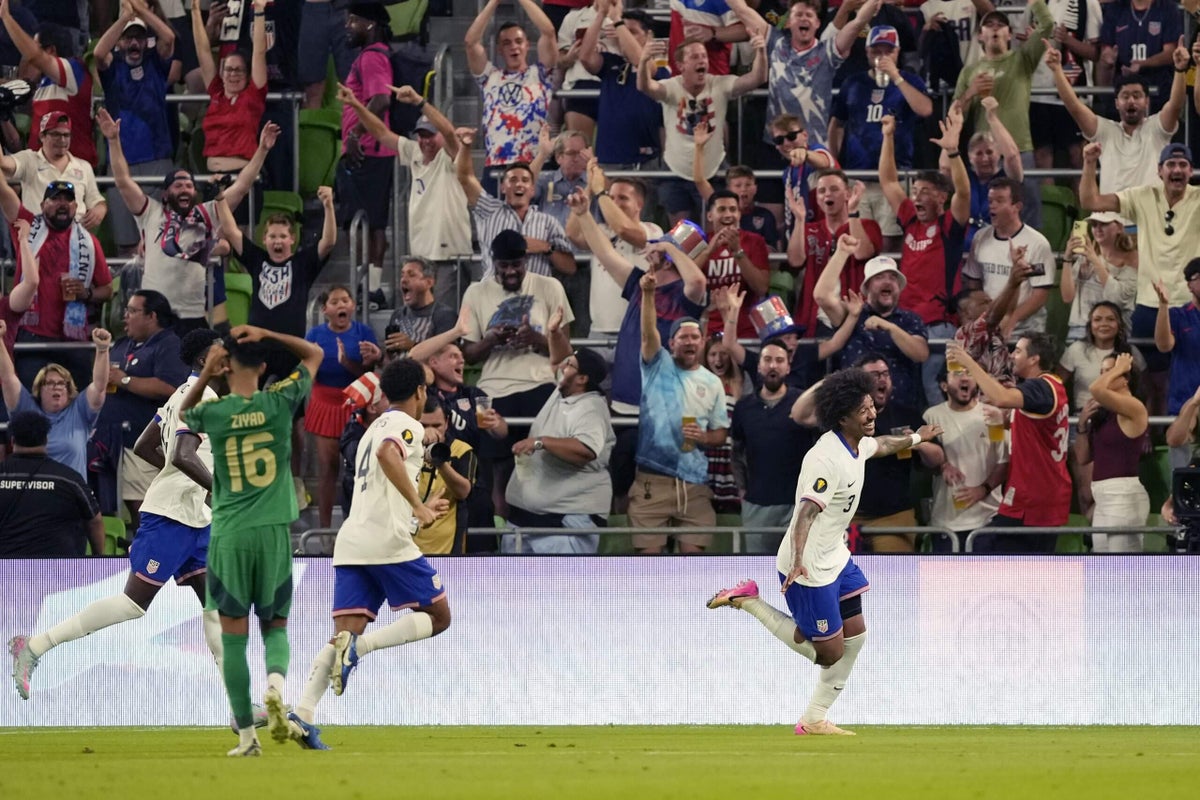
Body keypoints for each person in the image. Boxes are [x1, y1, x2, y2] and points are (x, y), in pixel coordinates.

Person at [707, 367, 942, 736]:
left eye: (872, 406)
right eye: (864, 410)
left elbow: (882, 445)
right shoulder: (826, 458)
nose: (872, 414)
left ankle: (814, 719)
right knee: (828, 653)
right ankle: (749, 600)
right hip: (809, 566)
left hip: (835, 554)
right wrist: (799, 561)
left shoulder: (857, 443)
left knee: (856, 635)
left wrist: (915, 437)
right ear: (843, 417)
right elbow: (805, 512)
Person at [8, 330, 225, 702]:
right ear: (205, 360)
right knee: (132, 605)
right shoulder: (202, 395)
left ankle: (240, 704)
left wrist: (185, 482)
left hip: (194, 516)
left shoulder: (180, 393)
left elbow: (145, 445)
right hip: (171, 517)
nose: (229, 359)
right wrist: (221, 492)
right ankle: (35, 645)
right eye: (222, 353)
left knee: (216, 607)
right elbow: (183, 455)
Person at [290, 358, 451, 752]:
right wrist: (418, 505)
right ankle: (359, 650)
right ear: (420, 392)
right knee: (439, 616)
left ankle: (303, 713)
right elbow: (387, 454)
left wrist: (415, 511)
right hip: (386, 542)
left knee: (343, 632)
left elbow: (381, 478)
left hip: (352, 542)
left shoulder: (370, 428)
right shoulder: (406, 426)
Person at [180, 324, 323, 757]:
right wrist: (265, 332)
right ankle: (275, 686)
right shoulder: (278, 402)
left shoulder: (216, 412)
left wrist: (208, 372)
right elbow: (314, 354)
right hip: (273, 531)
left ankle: (246, 737)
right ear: (262, 368)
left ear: (226, 367)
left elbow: (186, 413)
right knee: (275, 626)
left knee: (234, 639)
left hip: (229, 535)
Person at [98, 108, 278, 333]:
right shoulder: (150, 212)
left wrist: (262, 150)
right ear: (165, 194)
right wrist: (113, 141)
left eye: (189, 186)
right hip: (155, 317)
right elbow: (123, 181)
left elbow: (242, 186)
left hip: (192, 316)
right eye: (178, 185)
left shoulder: (207, 214)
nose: (184, 189)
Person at [461, 230, 573, 516]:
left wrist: (535, 339)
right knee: (497, 472)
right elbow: (468, 354)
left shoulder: (550, 286)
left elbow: (566, 350)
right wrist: (491, 340)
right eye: (504, 266)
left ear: (526, 261)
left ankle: (540, 528)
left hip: (541, 384)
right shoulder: (475, 292)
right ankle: (503, 535)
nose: (511, 272)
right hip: (492, 389)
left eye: (516, 265)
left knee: (543, 465)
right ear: (493, 263)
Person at [337, 85, 473, 306]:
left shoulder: (452, 157)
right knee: (421, 320)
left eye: (431, 135)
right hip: (420, 259)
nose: (425, 141)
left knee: (445, 318)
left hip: (450, 258)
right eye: (421, 135)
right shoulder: (414, 152)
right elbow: (381, 133)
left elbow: (449, 132)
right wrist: (355, 104)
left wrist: (419, 102)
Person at [1082, 141, 1200, 394]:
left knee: (1192, 376)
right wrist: (1090, 163)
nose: (1177, 170)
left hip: (1190, 303)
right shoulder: (1142, 196)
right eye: (1171, 164)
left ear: (1191, 171)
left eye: (1183, 165)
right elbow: (1091, 201)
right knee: (1148, 383)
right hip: (1149, 303)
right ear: (1159, 170)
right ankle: (1145, 422)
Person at [629, 277, 729, 554]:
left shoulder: (712, 382)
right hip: (652, 481)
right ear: (671, 343)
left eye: (694, 337)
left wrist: (705, 437)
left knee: (693, 562)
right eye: (683, 337)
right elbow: (648, 334)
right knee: (648, 564)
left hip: (694, 483)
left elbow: (721, 433)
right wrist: (648, 293)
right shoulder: (657, 365)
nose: (689, 341)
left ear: (703, 342)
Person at [946, 332, 1070, 553]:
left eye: (1018, 351)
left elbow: (1001, 398)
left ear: (1034, 359)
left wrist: (969, 363)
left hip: (1033, 497)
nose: (1012, 356)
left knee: (984, 551)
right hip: (1046, 494)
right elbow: (1039, 430)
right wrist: (1006, 421)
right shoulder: (1052, 387)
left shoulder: (1040, 387)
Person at [879, 108, 970, 406]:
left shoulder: (949, 227)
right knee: (903, 393)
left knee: (934, 391)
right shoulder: (910, 220)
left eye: (925, 192)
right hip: (905, 321)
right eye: (915, 191)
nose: (916, 197)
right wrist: (888, 137)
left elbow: (964, 194)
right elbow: (888, 182)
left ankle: (942, 437)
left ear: (942, 198)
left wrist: (953, 153)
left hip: (938, 324)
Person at [637, 32, 766, 225]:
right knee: (682, 235)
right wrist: (644, 60)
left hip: (713, 170)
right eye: (695, 56)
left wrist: (761, 52)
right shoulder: (671, 87)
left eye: (704, 56)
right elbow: (645, 86)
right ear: (681, 65)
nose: (702, 60)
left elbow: (757, 78)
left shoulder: (719, 84)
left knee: (716, 229)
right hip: (676, 170)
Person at [828, 25, 933, 252]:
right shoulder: (853, 83)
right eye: (876, 51)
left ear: (898, 52)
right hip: (858, 176)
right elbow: (836, 124)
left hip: (895, 176)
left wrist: (896, 76)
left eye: (888, 51)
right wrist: (834, 165)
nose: (882, 56)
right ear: (867, 52)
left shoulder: (910, 81)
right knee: (858, 241)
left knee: (891, 242)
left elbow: (925, 109)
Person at [2, 177, 113, 389]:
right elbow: (4, 192)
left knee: (80, 401)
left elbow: (107, 290)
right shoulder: (27, 227)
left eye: (68, 200)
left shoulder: (89, 243)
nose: (62, 204)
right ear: (43, 205)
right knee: (31, 401)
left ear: (76, 207)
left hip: (74, 340)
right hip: (31, 336)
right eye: (55, 199)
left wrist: (86, 293)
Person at [724, 0, 880, 151]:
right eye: (798, 15)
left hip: (813, 145)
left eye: (809, 15)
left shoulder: (827, 52)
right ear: (789, 22)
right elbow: (742, 10)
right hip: (777, 144)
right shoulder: (776, 43)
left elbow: (858, 23)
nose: (804, 18)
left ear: (817, 23)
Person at [217, 185, 337, 380]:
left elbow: (328, 242)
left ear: (292, 239)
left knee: (290, 398)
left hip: (291, 349)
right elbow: (231, 231)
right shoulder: (257, 259)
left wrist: (329, 205)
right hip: (257, 347)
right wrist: (220, 199)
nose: (277, 241)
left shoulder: (303, 263)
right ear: (264, 239)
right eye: (272, 236)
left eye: (283, 236)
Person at [92, 290, 189, 533]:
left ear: (151, 316)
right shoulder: (123, 344)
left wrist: (125, 381)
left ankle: (152, 550)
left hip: (144, 438)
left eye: (133, 311)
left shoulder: (168, 344)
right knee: (123, 506)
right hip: (114, 440)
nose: (125, 316)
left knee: (144, 508)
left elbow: (171, 387)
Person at [1046, 37, 1192, 197]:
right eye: (1125, 96)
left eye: (1137, 96)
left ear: (1147, 102)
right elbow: (1074, 106)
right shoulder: (1105, 131)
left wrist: (1180, 70)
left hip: (1151, 213)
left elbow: (1176, 105)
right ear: (1116, 103)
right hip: (1112, 212)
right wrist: (1056, 70)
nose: (1131, 101)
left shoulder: (1157, 128)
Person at [504, 347, 615, 553]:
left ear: (582, 379)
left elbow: (586, 450)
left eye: (569, 365)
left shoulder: (590, 407)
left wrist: (541, 442)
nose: (562, 366)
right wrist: (554, 332)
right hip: (528, 519)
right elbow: (557, 358)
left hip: (563, 523)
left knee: (560, 576)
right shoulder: (562, 391)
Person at [952, 4, 1054, 228]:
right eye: (989, 24)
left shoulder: (1023, 59)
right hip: (985, 156)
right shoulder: (969, 72)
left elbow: (1047, 24)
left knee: (1027, 213)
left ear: (1009, 34)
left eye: (1001, 24)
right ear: (980, 35)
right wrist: (970, 92)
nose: (995, 28)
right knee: (986, 215)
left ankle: (1031, 252)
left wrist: (1034, 2)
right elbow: (953, 116)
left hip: (1020, 148)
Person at [95, 1, 177, 256]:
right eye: (128, 38)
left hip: (157, 159)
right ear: (120, 42)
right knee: (127, 245)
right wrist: (124, 18)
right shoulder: (113, 68)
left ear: (145, 42)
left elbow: (169, 37)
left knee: (160, 241)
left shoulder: (155, 63)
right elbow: (98, 53)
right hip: (122, 162)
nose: (134, 43)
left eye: (139, 38)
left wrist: (140, 10)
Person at [815, 235, 930, 412]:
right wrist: (842, 253)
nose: (887, 281)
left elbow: (920, 354)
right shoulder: (853, 313)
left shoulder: (910, 319)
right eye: (879, 277)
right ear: (867, 287)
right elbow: (822, 296)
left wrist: (890, 327)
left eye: (893, 277)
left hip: (902, 412)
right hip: (855, 411)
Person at [730, 338, 819, 554]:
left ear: (788, 367)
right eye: (767, 359)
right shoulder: (744, 407)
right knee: (758, 569)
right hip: (757, 506)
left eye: (779, 360)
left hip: (799, 505)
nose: (773, 365)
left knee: (800, 568)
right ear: (759, 366)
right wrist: (742, 490)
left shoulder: (803, 403)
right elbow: (736, 452)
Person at [305, 286, 382, 528]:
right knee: (328, 469)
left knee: (359, 468)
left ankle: (359, 526)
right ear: (325, 310)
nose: (341, 305)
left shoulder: (364, 332)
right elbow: (306, 370)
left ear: (353, 306)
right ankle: (325, 532)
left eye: (345, 300)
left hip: (357, 402)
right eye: (335, 301)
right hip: (325, 403)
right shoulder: (314, 335)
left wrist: (348, 362)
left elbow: (369, 373)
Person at [455, 129, 576, 281]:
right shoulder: (489, 210)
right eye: (512, 180)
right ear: (502, 187)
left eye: (525, 181)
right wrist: (465, 146)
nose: (519, 184)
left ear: (533, 189)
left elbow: (570, 267)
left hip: (536, 294)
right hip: (496, 292)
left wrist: (546, 247)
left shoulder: (548, 222)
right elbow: (465, 178)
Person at [0, 320, 111, 480]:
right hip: (35, 492)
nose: (56, 387)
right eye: (50, 383)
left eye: (61, 383)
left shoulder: (80, 411)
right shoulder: (27, 410)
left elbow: (99, 386)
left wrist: (102, 350)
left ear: (69, 389)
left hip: (71, 492)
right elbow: (8, 378)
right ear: (39, 389)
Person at [787, 169, 881, 344]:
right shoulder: (810, 229)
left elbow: (862, 253)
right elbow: (795, 260)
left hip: (854, 315)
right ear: (817, 198)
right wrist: (799, 220)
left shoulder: (867, 225)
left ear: (847, 194)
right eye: (822, 191)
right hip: (816, 321)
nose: (827, 194)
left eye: (834, 189)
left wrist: (853, 212)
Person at [921, 366, 1009, 552]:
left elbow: (1003, 462)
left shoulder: (992, 414)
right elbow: (923, 463)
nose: (965, 378)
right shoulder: (931, 417)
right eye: (957, 374)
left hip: (987, 518)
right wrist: (942, 466)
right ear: (944, 385)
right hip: (946, 521)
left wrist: (982, 489)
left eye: (969, 373)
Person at [465, 0, 558, 173]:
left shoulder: (541, 74)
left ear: (527, 45)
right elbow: (471, 42)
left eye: (518, 41)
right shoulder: (489, 77)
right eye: (507, 43)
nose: (514, 46)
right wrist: (493, 3)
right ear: (499, 49)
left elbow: (549, 32)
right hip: (496, 164)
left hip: (535, 162)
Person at [0, 410, 102, 565]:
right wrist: (98, 559)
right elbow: (95, 521)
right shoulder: (69, 478)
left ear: (12, 440)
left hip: (6, 570)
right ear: (46, 440)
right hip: (60, 570)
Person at [338, 2, 396, 273]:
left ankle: (365, 285)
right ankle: (371, 286)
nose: (347, 27)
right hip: (373, 150)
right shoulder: (372, 55)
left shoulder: (372, 57)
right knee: (373, 223)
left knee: (363, 222)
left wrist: (355, 134)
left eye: (353, 21)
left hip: (367, 151)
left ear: (370, 24)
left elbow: (381, 99)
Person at [961, 177, 1056, 342]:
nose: (992, 206)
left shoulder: (1037, 243)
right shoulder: (980, 238)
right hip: (989, 325)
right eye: (990, 201)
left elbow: (1039, 295)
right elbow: (973, 283)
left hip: (1026, 331)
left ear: (1016, 207)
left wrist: (1012, 319)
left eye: (999, 201)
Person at [0, 2, 96, 165]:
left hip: (72, 169)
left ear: (50, 51)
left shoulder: (74, 70)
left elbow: (34, 56)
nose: (28, 57)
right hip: (42, 170)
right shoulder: (43, 85)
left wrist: (6, 18)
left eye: (35, 47)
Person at [1075, 352, 1150, 551]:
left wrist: (1121, 367)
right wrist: (1082, 424)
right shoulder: (1104, 414)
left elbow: (1095, 388)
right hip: (1102, 497)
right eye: (1101, 372)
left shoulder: (1134, 407)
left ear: (1125, 379)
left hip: (1123, 496)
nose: (1104, 377)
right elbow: (1082, 458)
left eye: (1109, 372)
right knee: (1102, 561)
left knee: (1122, 563)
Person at [579, 5, 664, 171]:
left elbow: (642, 64)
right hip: (608, 159)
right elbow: (585, 57)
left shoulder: (659, 68)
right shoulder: (611, 63)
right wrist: (602, 13)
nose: (623, 35)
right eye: (621, 31)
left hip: (645, 161)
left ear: (649, 36)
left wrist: (617, 20)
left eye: (632, 32)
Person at [192, 0, 268, 173]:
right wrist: (195, 11)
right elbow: (202, 51)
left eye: (239, 70)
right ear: (221, 71)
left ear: (248, 75)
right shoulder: (216, 93)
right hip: (212, 179)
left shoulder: (252, 97)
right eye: (229, 69)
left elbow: (259, 52)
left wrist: (259, 11)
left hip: (241, 177)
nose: (233, 74)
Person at [0, 112, 105, 226]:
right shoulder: (28, 160)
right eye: (56, 134)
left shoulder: (84, 166)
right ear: (42, 136)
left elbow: (96, 200)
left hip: (75, 233)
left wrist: (100, 208)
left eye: (66, 135)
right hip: (38, 233)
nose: (62, 140)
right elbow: (3, 163)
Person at [1060, 212, 1137, 342]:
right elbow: (1067, 297)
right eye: (1094, 225)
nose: (1098, 229)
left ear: (1119, 228)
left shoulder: (1132, 260)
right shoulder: (1084, 258)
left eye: (1104, 224)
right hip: (1080, 328)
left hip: (1113, 331)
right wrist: (1067, 259)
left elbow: (1117, 299)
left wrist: (1095, 260)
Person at [415, 398, 477, 555]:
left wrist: (439, 459)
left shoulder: (461, 450)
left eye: (437, 426)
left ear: (447, 423)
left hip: (447, 548)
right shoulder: (403, 449)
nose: (430, 431)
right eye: (423, 425)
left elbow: (463, 492)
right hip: (407, 543)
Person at [1097, 0, 1181, 115]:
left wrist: (1143, 64)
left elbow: (1171, 52)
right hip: (1122, 92)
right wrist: (1107, 60)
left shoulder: (1167, 8)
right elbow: (1106, 51)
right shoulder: (1115, 9)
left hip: (1159, 92)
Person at [384, 257, 459, 354]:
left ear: (429, 282)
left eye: (411, 275)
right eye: (402, 275)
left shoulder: (445, 316)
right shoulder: (398, 314)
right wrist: (379, 357)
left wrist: (413, 346)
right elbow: (391, 357)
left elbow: (446, 356)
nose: (403, 280)